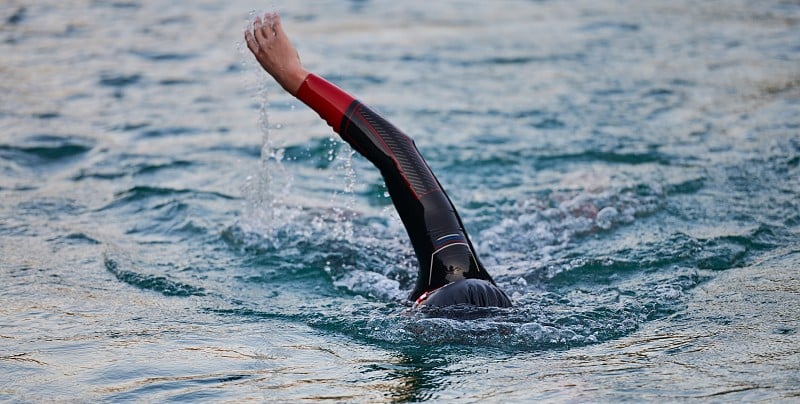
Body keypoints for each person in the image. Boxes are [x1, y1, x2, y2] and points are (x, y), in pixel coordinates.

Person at [245, 13, 512, 308]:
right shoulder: (453, 268)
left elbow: (398, 151)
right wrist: (295, 77)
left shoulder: (452, 269)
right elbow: (399, 153)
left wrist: (294, 76)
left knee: (335, 238)